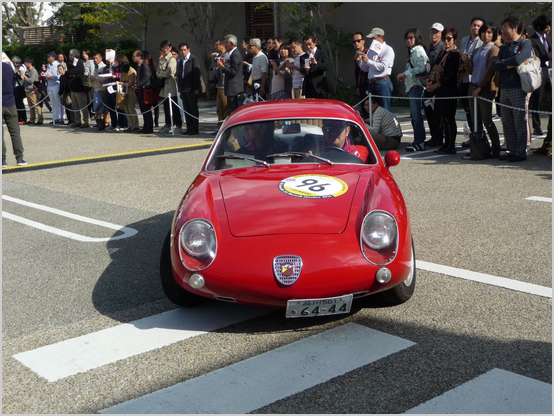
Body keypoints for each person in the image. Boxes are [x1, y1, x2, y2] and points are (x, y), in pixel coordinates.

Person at [493, 17, 533, 162]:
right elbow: (495, 65)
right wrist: (507, 63)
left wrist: (505, 63)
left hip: (518, 87)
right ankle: (511, 149)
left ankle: (520, 151)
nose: (502, 30)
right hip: (504, 88)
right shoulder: (504, 46)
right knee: (507, 121)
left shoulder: (525, 43)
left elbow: (519, 60)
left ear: (514, 29)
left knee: (519, 120)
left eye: (505, 27)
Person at [465, 21, 501, 159]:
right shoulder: (476, 50)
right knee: (475, 122)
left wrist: (480, 87)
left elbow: (489, 72)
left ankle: (496, 149)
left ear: (493, 34)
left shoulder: (494, 49)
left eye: (489, 32)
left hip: (484, 89)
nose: (486, 35)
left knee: (487, 121)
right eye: (484, 32)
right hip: (472, 86)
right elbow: (471, 70)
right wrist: (466, 61)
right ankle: (479, 148)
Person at [427, 27, 461, 155]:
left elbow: (450, 75)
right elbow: (435, 68)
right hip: (440, 90)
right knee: (442, 117)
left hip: (449, 90)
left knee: (449, 117)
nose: (446, 41)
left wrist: (436, 85)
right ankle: (445, 144)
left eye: (449, 38)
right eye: (444, 38)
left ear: (454, 40)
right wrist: (431, 83)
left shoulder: (455, 54)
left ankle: (451, 145)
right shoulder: (443, 52)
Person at [397, 28, 429, 151]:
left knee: (416, 116)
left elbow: (421, 67)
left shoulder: (418, 50)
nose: (409, 40)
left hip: (416, 86)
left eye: (411, 38)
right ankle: (417, 140)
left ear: (417, 38)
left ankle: (420, 142)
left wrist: (406, 73)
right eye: (407, 38)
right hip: (412, 86)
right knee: (414, 116)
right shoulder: (412, 51)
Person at [356, 28, 395, 111]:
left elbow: (383, 67)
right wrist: (360, 62)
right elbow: (366, 69)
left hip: (382, 82)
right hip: (371, 83)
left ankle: (387, 124)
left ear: (380, 37)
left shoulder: (388, 49)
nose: (372, 41)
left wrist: (368, 61)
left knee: (384, 110)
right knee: (373, 110)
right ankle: (376, 124)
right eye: (371, 39)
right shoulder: (371, 50)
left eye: (373, 38)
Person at [460, 17, 485, 140]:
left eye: (479, 26)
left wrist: (468, 60)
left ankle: (479, 137)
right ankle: (472, 137)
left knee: (477, 112)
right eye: (474, 25)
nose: (476, 28)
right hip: (464, 80)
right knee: (467, 110)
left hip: (475, 79)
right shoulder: (465, 40)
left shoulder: (482, 42)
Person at [423, 23, 445, 147]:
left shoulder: (442, 48)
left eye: (436, 33)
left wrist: (435, 83)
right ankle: (434, 136)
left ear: (441, 34)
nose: (433, 35)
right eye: (432, 32)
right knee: (429, 113)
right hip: (428, 85)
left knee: (437, 114)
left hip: (437, 86)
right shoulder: (428, 48)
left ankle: (439, 137)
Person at [529, 15, 551, 135]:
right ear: (539, 27)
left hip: (549, 71)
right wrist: (549, 55)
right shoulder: (533, 40)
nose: (548, 30)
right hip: (539, 72)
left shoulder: (548, 39)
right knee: (537, 100)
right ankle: (536, 126)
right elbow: (536, 58)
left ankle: (550, 125)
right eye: (546, 28)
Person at [2, 60, 27, 167]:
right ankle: (19, 158)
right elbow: (13, 83)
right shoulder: (8, 68)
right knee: (15, 132)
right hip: (10, 103)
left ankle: (2, 159)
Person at [157, 40, 183, 134]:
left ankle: (178, 125)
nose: (165, 49)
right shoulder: (162, 59)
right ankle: (168, 124)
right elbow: (157, 72)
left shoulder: (171, 59)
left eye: (167, 48)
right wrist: (161, 73)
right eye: (163, 48)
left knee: (174, 106)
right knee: (166, 107)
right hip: (164, 86)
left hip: (171, 85)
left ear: (170, 48)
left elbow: (169, 73)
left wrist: (161, 73)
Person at [177, 43, 202, 135]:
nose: (183, 52)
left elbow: (196, 74)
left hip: (191, 89)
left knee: (193, 109)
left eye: (184, 50)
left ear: (188, 50)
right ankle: (189, 127)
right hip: (184, 89)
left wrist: (196, 88)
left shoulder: (193, 59)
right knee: (186, 109)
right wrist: (180, 89)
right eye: (181, 50)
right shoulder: (181, 61)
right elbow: (180, 76)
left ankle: (195, 128)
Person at [217, 34, 244, 115]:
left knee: (233, 112)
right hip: (232, 88)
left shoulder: (235, 54)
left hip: (234, 89)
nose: (225, 45)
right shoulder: (232, 54)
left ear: (231, 43)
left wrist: (222, 67)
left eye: (226, 43)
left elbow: (233, 72)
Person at [299, 33, 330, 99]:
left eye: (309, 44)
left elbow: (326, 66)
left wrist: (316, 63)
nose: (308, 46)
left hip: (320, 87)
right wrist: (305, 69)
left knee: (322, 108)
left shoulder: (321, 53)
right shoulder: (303, 57)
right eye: (306, 44)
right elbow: (301, 70)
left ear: (315, 42)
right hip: (308, 87)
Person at [66, 49, 91, 128]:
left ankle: (87, 121)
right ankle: (78, 121)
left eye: (70, 55)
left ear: (74, 56)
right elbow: (69, 72)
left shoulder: (80, 63)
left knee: (82, 105)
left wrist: (70, 73)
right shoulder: (70, 63)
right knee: (75, 106)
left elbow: (73, 71)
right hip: (72, 87)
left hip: (79, 87)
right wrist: (70, 73)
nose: (69, 56)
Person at [132, 50, 154, 134]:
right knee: (142, 109)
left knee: (146, 109)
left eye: (134, 56)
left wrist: (138, 85)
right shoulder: (139, 66)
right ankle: (145, 126)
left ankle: (149, 127)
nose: (133, 58)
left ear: (139, 57)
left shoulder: (144, 65)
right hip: (141, 90)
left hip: (145, 90)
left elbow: (147, 77)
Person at [89, 52, 110, 130]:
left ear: (101, 58)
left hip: (102, 89)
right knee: (97, 107)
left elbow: (104, 79)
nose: (95, 60)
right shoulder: (95, 67)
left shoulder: (104, 67)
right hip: (96, 88)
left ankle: (106, 122)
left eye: (96, 58)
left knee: (104, 106)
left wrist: (95, 78)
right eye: (94, 58)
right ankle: (99, 122)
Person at [211, 39, 229, 130]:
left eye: (217, 44)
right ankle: (219, 129)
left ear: (222, 45)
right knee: (219, 109)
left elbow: (227, 70)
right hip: (219, 86)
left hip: (225, 86)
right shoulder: (219, 56)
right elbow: (214, 71)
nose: (216, 46)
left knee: (226, 109)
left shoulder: (227, 56)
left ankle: (226, 129)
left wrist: (220, 66)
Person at [117, 60, 140, 132]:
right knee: (126, 109)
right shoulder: (122, 71)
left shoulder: (132, 72)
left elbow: (130, 84)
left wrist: (120, 83)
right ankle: (130, 125)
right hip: (124, 91)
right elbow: (124, 81)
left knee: (131, 109)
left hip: (131, 92)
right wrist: (123, 83)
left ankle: (135, 125)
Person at [21, 57, 43, 125]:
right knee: (31, 106)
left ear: (30, 63)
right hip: (27, 90)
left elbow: (31, 81)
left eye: (26, 62)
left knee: (36, 105)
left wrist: (24, 76)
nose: (25, 64)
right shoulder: (28, 70)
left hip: (32, 90)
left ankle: (40, 119)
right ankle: (32, 119)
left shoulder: (33, 71)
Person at [353, 32, 369, 118]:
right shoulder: (356, 55)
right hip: (361, 84)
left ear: (363, 41)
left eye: (358, 41)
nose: (356, 43)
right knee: (363, 108)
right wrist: (358, 86)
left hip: (368, 83)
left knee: (368, 106)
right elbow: (356, 72)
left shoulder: (367, 53)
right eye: (354, 41)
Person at [45, 51, 64, 125]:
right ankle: (55, 118)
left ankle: (61, 118)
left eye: (49, 57)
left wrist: (51, 76)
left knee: (58, 102)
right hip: (49, 85)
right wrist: (45, 75)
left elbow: (59, 76)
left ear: (53, 57)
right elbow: (48, 73)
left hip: (56, 85)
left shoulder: (57, 64)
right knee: (53, 103)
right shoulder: (48, 65)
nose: (48, 58)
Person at [11, 56, 27, 124]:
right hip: (16, 87)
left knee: (20, 103)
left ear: (15, 62)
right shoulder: (17, 68)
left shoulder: (21, 67)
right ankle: (18, 118)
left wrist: (15, 74)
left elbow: (21, 77)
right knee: (17, 103)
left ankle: (23, 118)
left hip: (19, 87)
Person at [82, 49, 95, 118]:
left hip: (89, 81)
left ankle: (93, 112)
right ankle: (88, 113)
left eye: (85, 54)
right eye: (83, 54)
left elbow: (92, 71)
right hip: (84, 81)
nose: (84, 55)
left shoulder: (91, 62)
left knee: (90, 97)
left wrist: (88, 75)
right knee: (86, 98)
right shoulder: (83, 62)